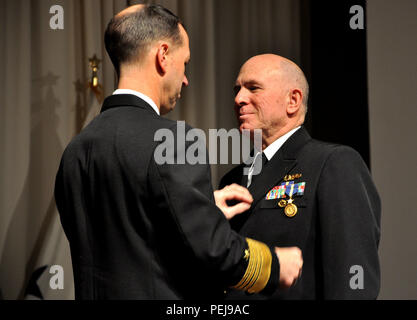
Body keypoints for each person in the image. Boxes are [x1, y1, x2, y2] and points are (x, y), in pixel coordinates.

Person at [54, 5, 303, 299]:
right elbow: (213, 250)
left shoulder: (76, 150)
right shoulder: (174, 140)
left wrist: (201, 209)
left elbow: (128, 234)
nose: (185, 79)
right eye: (184, 63)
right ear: (162, 56)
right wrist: (275, 265)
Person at [220, 54, 381, 299]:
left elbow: (352, 274)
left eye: (253, 88)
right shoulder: (230, 180)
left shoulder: (332, 163)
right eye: (237, 90)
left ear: (293, 100)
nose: (239, 99)